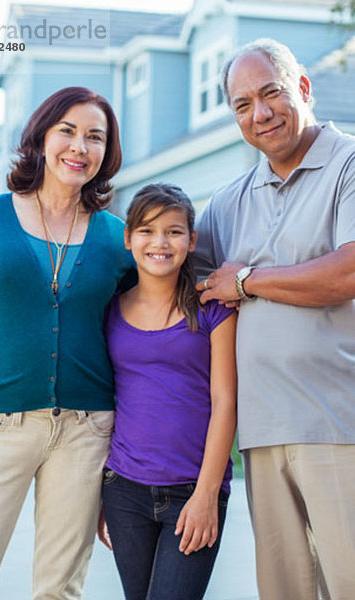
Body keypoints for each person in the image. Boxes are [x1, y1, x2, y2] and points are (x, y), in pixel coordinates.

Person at [194, 38, 355, 600]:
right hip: (261, 437)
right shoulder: (227, 203)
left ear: (303, 89)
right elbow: (169, 278)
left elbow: (347, 273)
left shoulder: (348, 164)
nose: (259, 114)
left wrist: (247, 281)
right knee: (284, 590)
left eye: (271, 94)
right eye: (242, 104)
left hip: (340, 427)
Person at [0, 86, 136, 600]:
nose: (80, 146)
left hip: (85, 430)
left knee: (60, 589)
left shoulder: (117, 237)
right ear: (41, 137)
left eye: (95, 137)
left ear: (107, 153)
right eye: (68, 131)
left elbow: (134, 328)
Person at [100, 183, 237, 600]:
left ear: (191, 240)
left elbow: (226, 402)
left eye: (174, 231)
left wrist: (207, 493)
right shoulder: (109, 308)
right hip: (124, 488)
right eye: (146, 230)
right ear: (128, 239)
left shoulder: (213, 308)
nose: (160, 242)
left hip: (193, 489)